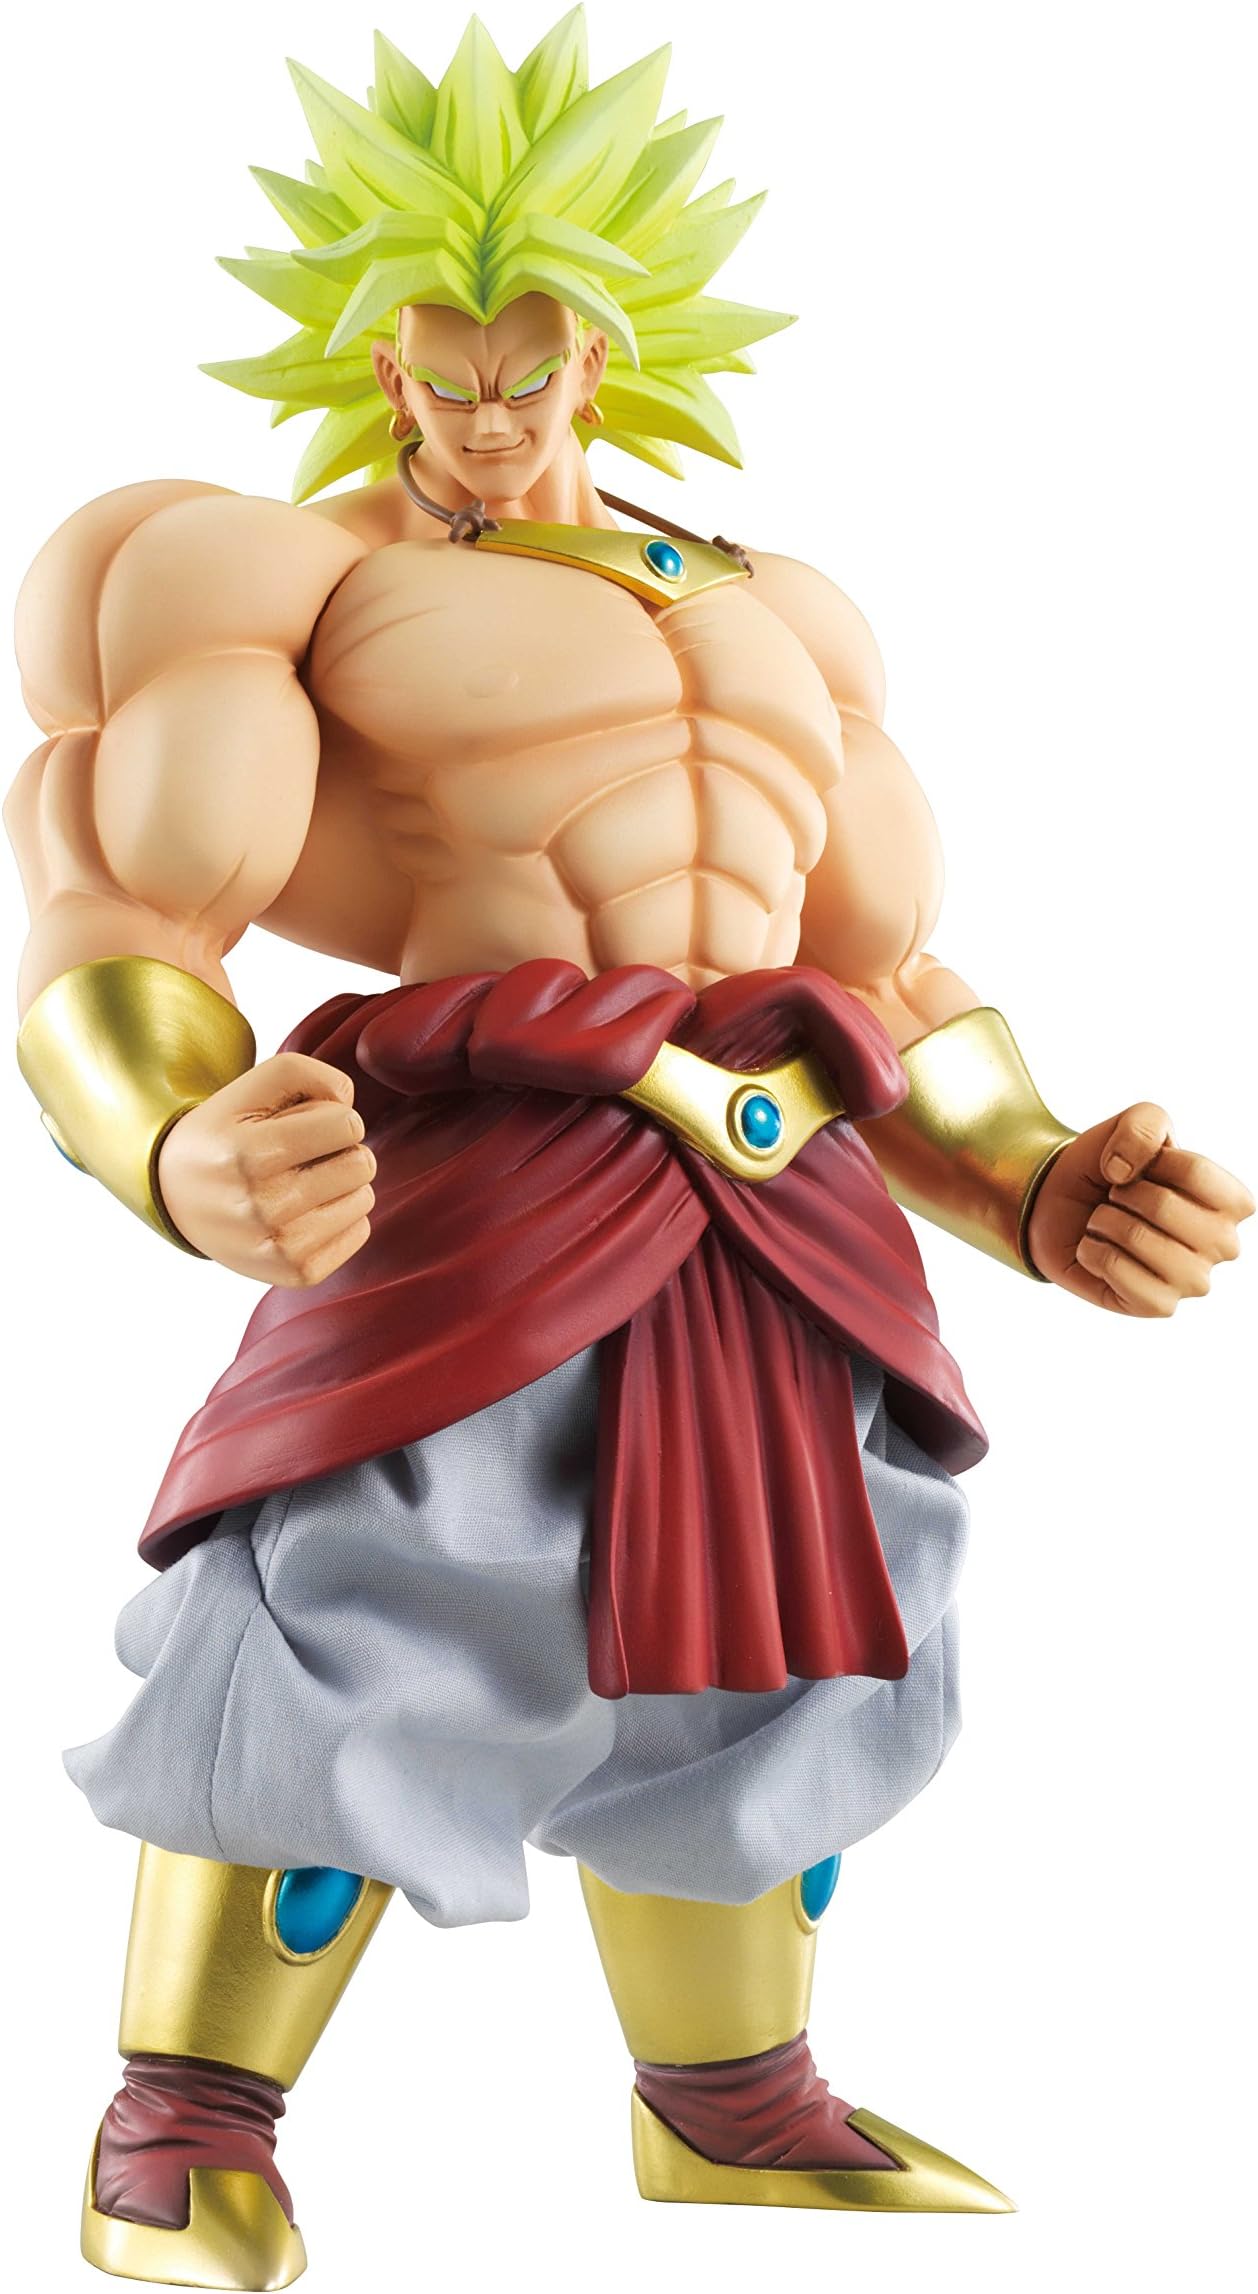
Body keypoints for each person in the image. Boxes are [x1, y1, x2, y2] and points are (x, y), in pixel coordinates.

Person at [9, 13, 1250, 2286]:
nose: (487, 411)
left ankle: (729, 2100)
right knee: (364, 1602)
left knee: (802, 1624)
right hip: (484, 1159)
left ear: (611, 347)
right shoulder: (270, 573)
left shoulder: (782, 609)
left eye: (529, 364)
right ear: (375, 352)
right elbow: (118, 906)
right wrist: (171, 1136)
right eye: (444, 367)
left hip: (783, 1193)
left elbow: (880, 967)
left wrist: (1031, 1171)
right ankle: (184, 2116)